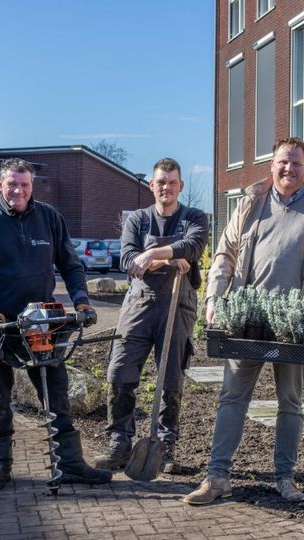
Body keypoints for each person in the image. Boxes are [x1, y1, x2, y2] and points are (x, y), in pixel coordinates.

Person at [183, 137, 304, 505]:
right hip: (247, 320)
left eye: (296, 163)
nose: (288, 169)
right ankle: (217, 476)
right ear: (271, 166)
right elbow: (225, 255)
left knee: (290, 403)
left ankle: (285, 477)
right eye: (282, 162)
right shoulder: (250, 205)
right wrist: (214, 299)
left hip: (297, 325)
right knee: (232, 397)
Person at [0, 158, 112, 491]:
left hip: (41, 325)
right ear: (1, 184)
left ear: (32, 186)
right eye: (12, 184)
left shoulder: (49, 218)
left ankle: (70, 463)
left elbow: (70, 265)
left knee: (56, 395)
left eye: (24, 184)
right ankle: (1, 464)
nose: (18, 190)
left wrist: (81, 300)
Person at [95, 158, 208, 473]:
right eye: (161, 181)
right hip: (138, 304)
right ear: (152, 185)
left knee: (170, 378)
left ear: (180, 186)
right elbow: (128, 260)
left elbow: (194, 246)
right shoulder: (138, 220)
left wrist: (152, 255)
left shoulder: (194, 217)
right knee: (119, 371)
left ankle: (164, 446)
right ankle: (119, 444)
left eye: (172, 182)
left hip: (178, 303)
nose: (166, 187)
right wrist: (171, 258)